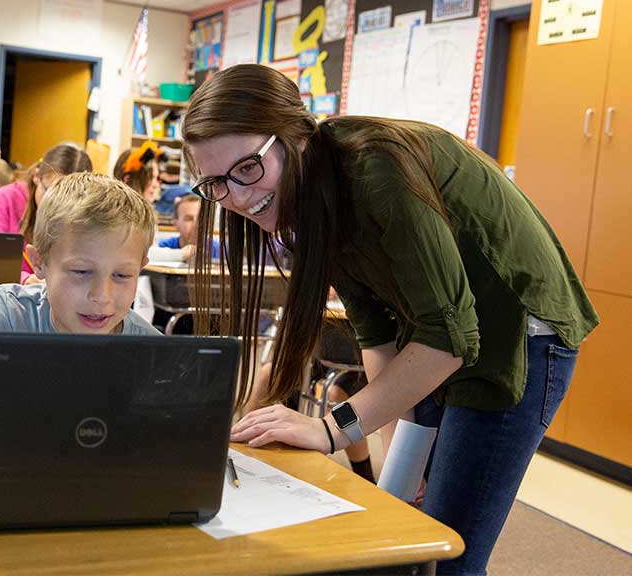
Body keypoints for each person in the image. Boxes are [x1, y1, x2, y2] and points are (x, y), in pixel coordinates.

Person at [182, 64, 598, 574]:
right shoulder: (314, 196)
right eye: (216, 184)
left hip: (517, 338)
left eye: (248, 168)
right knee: (402, 523)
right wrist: (395, 448)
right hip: (439, 337)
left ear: (296, 135)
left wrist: (333, 429)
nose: (239, 197)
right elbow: (376, 331)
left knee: (445, 552)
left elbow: (449, 338)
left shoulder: (375, 166)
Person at [0, 172, 161, 457]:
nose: (102, 296)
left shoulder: (151, 351)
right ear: (39, 263)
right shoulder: (4, 317)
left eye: (122, 275)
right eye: (81, 272)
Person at [12, 143, 92, 284]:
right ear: (37, 176)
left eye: (68, 199)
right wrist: (26, 279)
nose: (55, 205)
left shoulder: (83, 210)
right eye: (49, 192)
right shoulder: (9, 197)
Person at [158, 193, 220, 259]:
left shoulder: (220, 251)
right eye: (189, 219)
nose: (197, 224)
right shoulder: (163, 248)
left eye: (201, 218)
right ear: (176, 224)